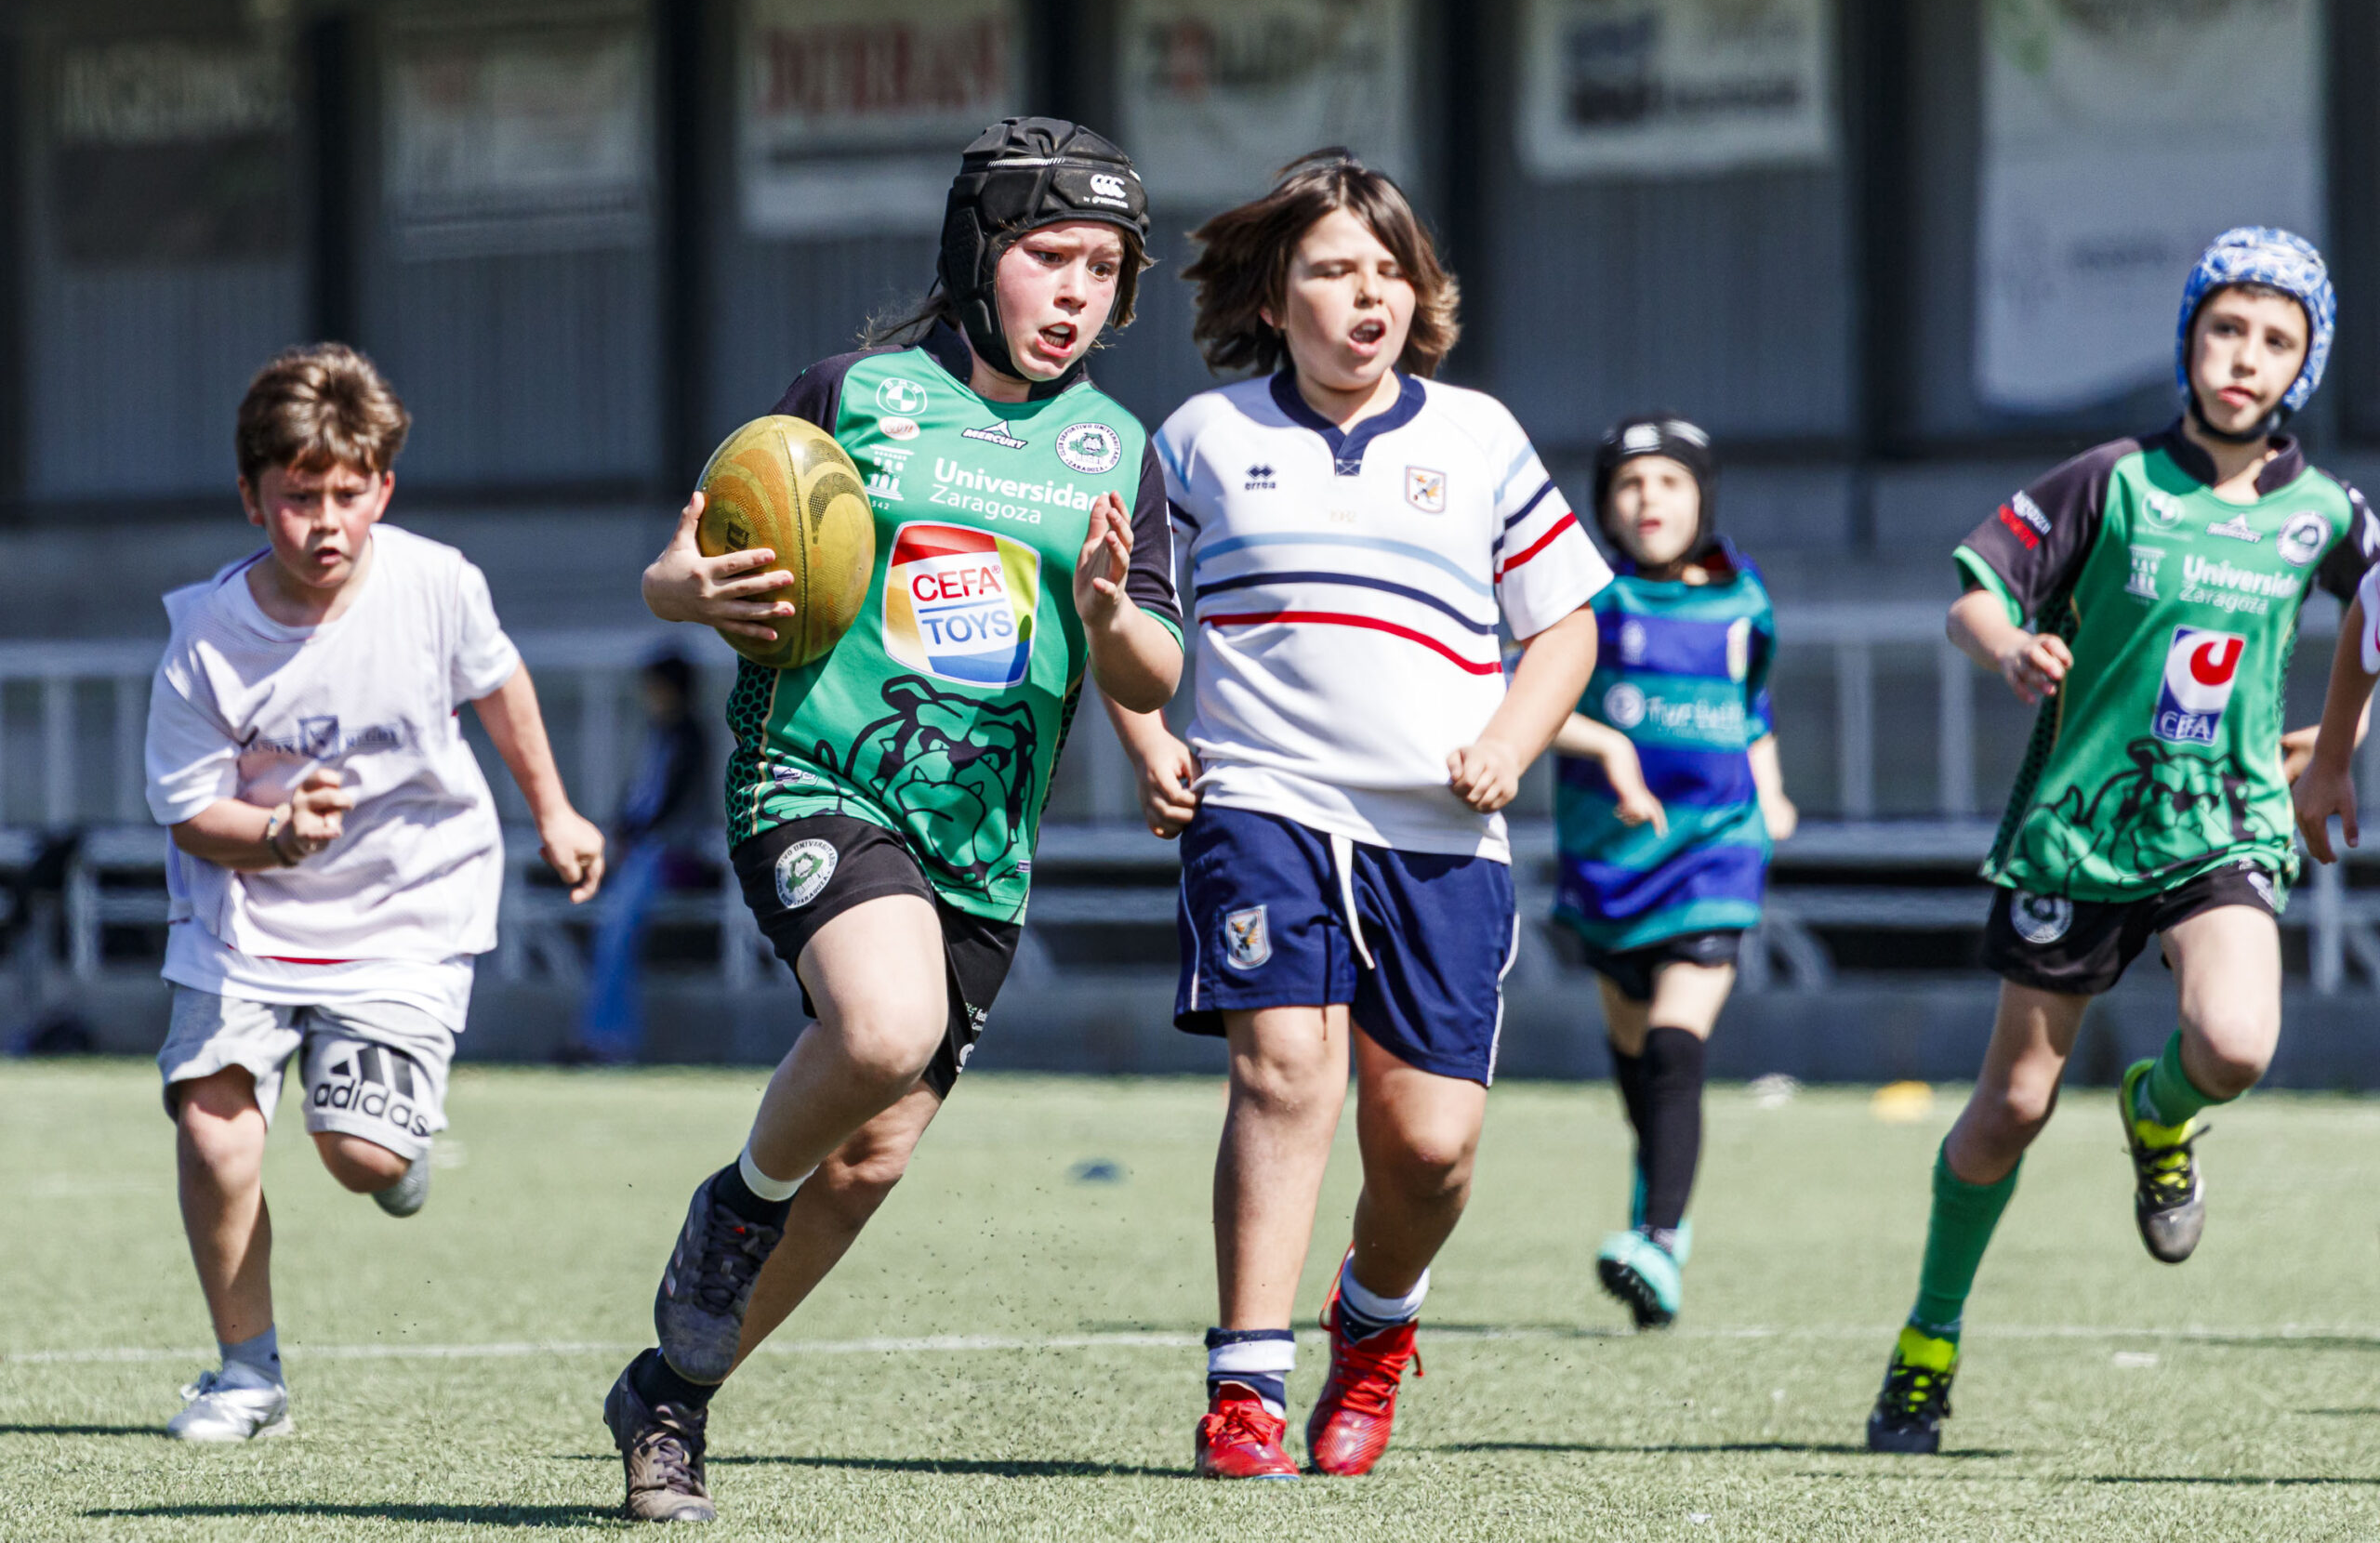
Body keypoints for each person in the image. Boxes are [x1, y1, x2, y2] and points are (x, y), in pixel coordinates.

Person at [602, 118, 1183, 1523]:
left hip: (978, 841)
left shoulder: (1120, 445)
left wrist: (1111, 623)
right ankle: (735, 1205)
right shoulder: (852, 395)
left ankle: (669, 1397)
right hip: (814, 774)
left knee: (869, 1157)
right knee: (879, 1025)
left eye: (1104, 269)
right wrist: (693, 595)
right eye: (1050, 254)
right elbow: (681, 559)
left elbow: (1155, 664)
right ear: (978, 252)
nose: (1075, 293)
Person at [1104, 151, 1606, 1480]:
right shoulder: (1200, 439)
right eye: (1335, 269)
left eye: (1392, 271)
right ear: (1274, 298)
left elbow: (1564, 624)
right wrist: (1151, 739)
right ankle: (1246, 1389)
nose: (1368, 295)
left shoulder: (1479, 435)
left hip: (1441, 830)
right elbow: (1132, 624)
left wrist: (1510, 736)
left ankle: (1374, 1329)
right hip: (1262, 798)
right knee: (1284, 1071)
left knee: (1430, 1148)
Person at [1864, 229, 2380, 1456]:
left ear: (2306, 364)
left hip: (2224, 821)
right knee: (2012, 1108)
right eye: (2224, 327)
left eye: (2275, 337)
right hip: (2084, 827)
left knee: (2237, 1040)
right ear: (2189, 338)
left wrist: (2338, 749)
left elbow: (2377, 605)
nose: (2244, 356)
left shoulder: (2321, 511)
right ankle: (1928, 1342)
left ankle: (2160, 1114)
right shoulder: (2113, 478)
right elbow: (1973, 590)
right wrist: (2007, 646)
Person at [148, 344, 605, 1442]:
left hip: (409, 908)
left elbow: (498, 687)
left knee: (360, 1157)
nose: (325, 522)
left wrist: (554, 812)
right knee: (217, 1132)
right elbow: (185, 812)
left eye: (349, 495)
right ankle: (247, 1376)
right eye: (299, 496)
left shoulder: (438, 584)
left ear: (382, 491)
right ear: (253, 497)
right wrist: (271, 834)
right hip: (245, 917)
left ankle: (392, 1156)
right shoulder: (204, 637)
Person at [1549, 414, 1795, 1330]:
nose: (1648, 499)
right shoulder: (1589, 600)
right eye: (1628, 484)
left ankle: (1658, 1234)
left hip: (1716, 850)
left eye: (1669, 482)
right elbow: (1531, 705)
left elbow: (1752, 708)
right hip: (1610, 859)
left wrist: (1771, 795)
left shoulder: (1744, 601)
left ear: (1702, 498)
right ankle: (1658, 1218)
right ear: (1605, 506)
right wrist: (1606, 744)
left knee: (1674, 1042)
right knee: (1635, 1056)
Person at [566, 651, 710, 1063]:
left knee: (616, 935)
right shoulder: (658, 733)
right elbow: (640, 795)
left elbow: (669, 804)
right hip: (647, 852)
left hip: (670, 856)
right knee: (611, 936)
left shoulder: (689, 735)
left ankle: (611, 1041)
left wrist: (635, 834)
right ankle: (599, 1036)